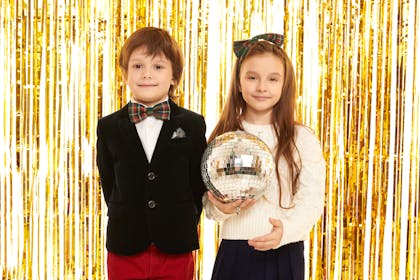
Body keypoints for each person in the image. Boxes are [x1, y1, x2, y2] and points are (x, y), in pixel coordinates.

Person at [203, 33, 326, 280]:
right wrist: (223, 208)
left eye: (272, 79)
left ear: (285, 85)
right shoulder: (224, 138)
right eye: (252, 77)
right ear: (238, 82)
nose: (261, 87)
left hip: (285, 251)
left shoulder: (301, 139)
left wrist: (286, 231)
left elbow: (312, 200)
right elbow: (208, 205)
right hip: (234, 252)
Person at [96, 26, 207, 280]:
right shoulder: (109, 126)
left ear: (174, 77)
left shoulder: (192, 124)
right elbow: (109, 182)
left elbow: (196, 181)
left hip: (175, 244)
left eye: (158, 67)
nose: (147, 74)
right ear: (124, 73)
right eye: (137, 66)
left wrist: (184, 219)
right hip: (125, 243)